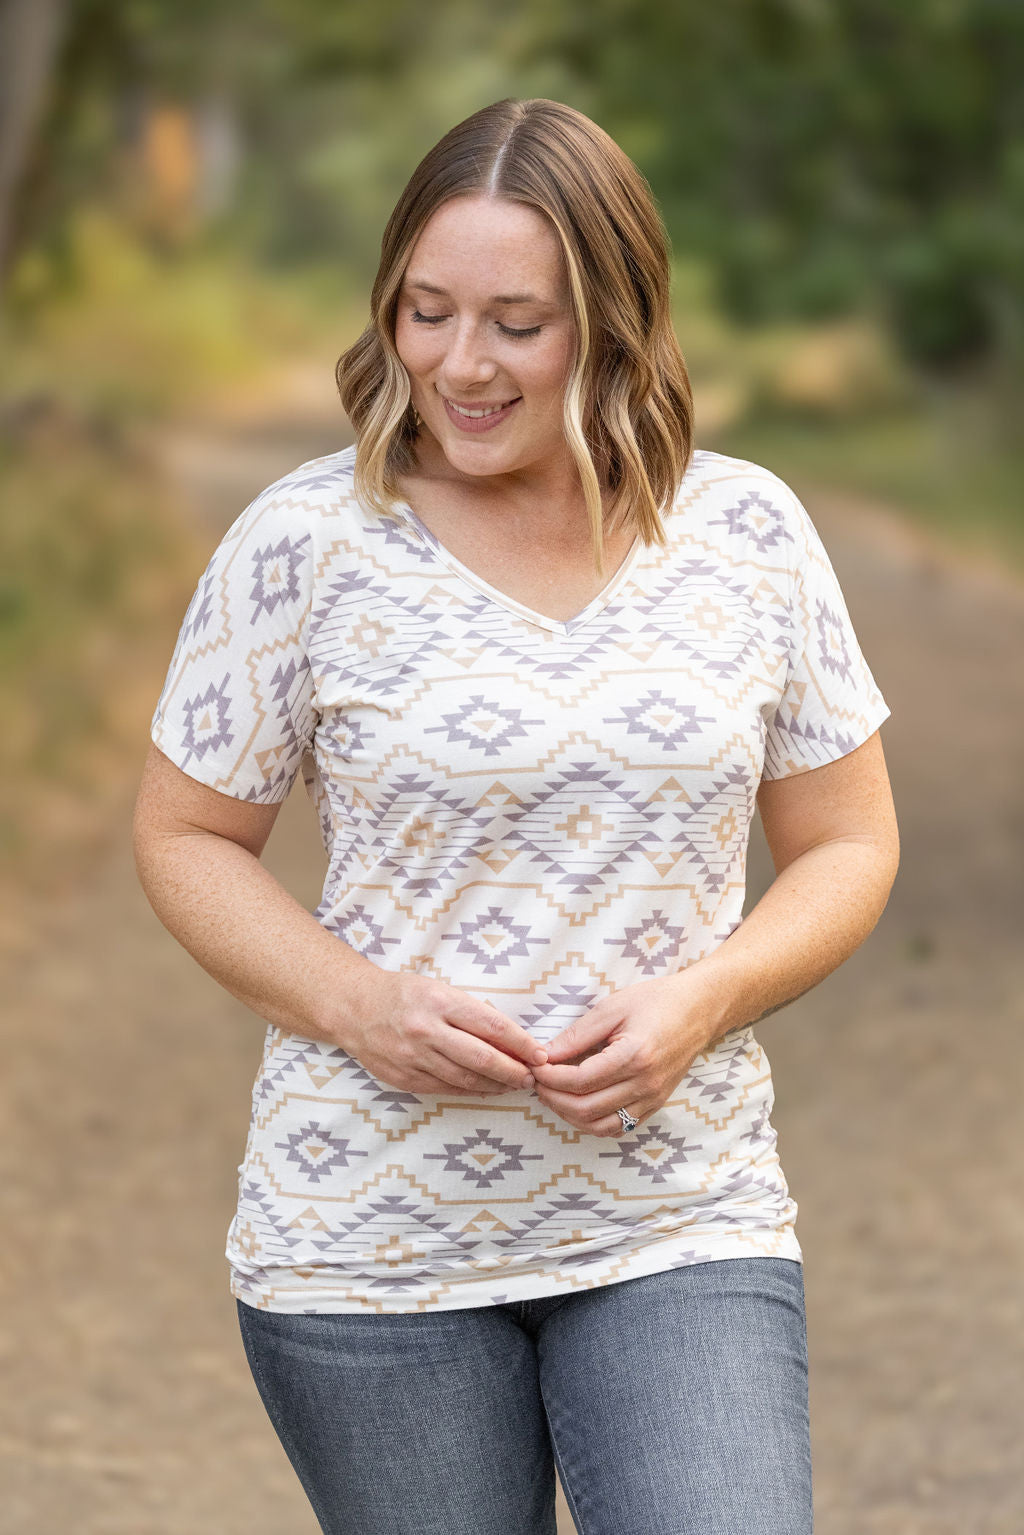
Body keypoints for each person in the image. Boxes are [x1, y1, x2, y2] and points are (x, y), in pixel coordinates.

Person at [133, 97, 899, 1535]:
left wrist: (709, 996)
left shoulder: (746, 534)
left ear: (615, 323)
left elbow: (850, 841)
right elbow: (185, 837)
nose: (458, 364)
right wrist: (358, 1006)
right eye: (426, 312)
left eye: (515, 323)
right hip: (369, 1236)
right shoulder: (304, 543)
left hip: (679, 1212)